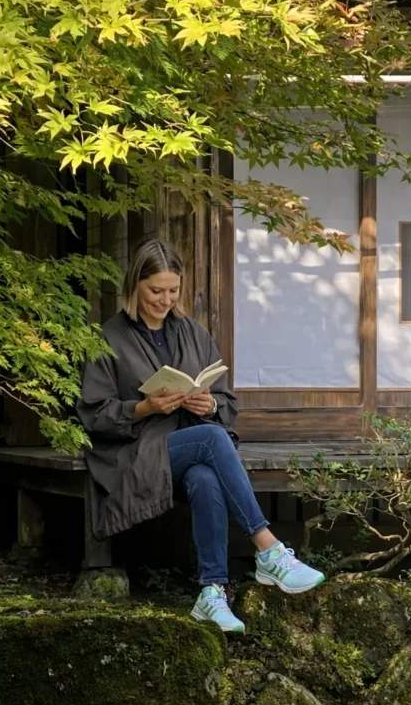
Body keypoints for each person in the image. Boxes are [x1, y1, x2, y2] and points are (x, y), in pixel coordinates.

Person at [76, 238, 324, 633]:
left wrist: (207, 406)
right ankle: (269, 550)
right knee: (212, 440)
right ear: (135, 285)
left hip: (185, 443)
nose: (164, 300)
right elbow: (94, 414)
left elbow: (225, 400)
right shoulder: (108, 336)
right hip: (134, 452)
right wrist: (144, 408)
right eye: (156, 290)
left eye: (173, 291)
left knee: (206, 476)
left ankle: (212, 592)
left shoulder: (192, 331)